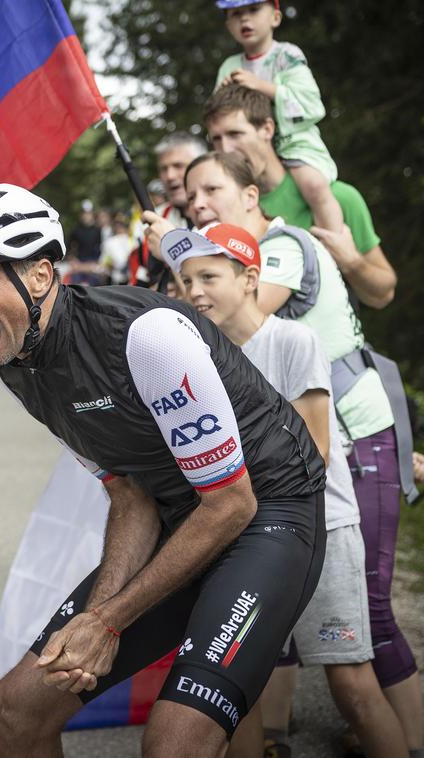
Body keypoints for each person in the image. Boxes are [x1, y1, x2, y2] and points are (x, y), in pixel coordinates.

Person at [0, 182, 326, 756]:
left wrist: (108, 620)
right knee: (14, 709)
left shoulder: (147, 338)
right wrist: (96, 622)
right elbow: (131, 494)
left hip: (267, 515)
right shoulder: (19, 365)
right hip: (179, 516)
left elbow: (232, 503)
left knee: (173, 743)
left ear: (40, 276)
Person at [167, 150, 424, 755]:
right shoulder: (200, 357)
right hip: (253, 535)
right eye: (188, 280)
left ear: (250, 279)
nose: (196, 292)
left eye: (211, 277)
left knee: (351, 682)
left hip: (321, 529)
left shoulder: (294, 341)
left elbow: (311, 452)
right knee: (244, 688)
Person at [203, 83, 397, 309]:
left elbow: (384, 294)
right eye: (216, 139)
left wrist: (351, 261)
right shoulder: (222, 213)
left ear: (267, 128)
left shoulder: (336, 196)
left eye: (235, 134)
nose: (226, 149)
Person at [213, 0, 344, 235]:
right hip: (249, 150)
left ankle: (333, 239)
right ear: (228, 25)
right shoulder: (229, 66)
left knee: (313, 184)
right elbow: (218, 111)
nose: (244, 19)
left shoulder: (287, 55)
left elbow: (311, 105)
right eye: (236, 14)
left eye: (253, 10)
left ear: (275, 17)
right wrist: (225, 92)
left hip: (294, 143)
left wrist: (263, 87)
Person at [129, 131, 208, 289]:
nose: (169, 176)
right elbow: (139, 284)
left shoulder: (225, 214)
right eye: (163, 169)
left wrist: (170, 248)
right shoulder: (151, 220)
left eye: (178, 166)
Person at [66, 204, 103, 285]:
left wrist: (93, 264)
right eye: (84, 213)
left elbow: (100, 250)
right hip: (79, 263)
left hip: (93, 263)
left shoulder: (98, 231)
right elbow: (68, 248)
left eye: (88, 213)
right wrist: (72, 260)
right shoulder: (76, 231)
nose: (86, 216)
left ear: (92, 214)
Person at [99, 216, 131, 286]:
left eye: (122, 225)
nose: (119, 228)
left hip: (132, 280)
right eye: (117, 225)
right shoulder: (109, 243)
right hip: (115, 280)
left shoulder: (133, 241)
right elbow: (103, 264)